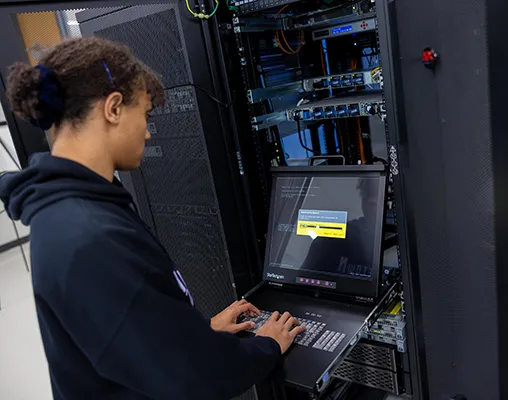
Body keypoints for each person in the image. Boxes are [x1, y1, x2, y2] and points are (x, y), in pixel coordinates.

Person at [0, 37, 304, 400]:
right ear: (113, 108)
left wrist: (201, 332)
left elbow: (122, 338)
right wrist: (266, 345)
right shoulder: (87, 236)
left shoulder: (77, 209)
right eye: (144, 115)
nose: (147, 131)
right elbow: (192, 381)